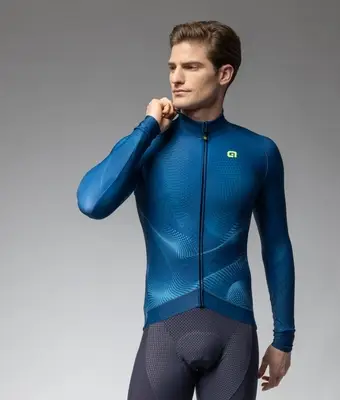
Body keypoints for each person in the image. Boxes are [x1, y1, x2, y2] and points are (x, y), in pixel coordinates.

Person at [76, 20, 295, 399]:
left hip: (234, 335)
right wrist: (147, 127)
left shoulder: (259, 152)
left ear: (224, 74)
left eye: (191, 67)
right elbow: (92, 203)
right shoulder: (148, 145)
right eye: (172, 67)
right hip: (165, 328)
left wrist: (284, 338)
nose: (176, 78)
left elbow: (276, 246)